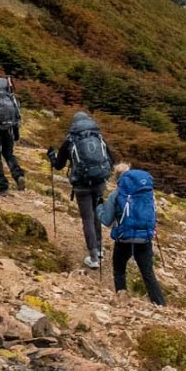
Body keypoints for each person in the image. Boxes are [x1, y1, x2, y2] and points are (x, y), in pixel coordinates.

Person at [47, 110, 113, 269]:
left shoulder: (70, 140)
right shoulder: (99, 137)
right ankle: (99, 249)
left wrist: (51, 156)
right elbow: (111, 159)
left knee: (87, 218)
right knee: (97, 214)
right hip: (99, 182)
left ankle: (93, 255)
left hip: (81, 185)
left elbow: (58, 165)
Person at [104, 163, 165, 306]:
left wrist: (99, 206)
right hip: (144, 238)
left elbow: (106, 220)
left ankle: (122, 299)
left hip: (124, 238)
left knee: (119, 270)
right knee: (148, 273)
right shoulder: (146, 192)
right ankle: (160, 304)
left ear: (117, 178)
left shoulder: (116, 195)